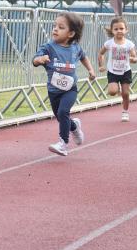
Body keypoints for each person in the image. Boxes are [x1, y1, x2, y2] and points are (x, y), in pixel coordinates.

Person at [33, 12, 96, 156]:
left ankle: (63, 143)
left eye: (60, 27)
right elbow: (35, 59)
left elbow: (84, 57)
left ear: (71, 33)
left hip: (70, 89)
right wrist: (39, 59)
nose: (55, 29)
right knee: (61, 116)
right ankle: (74, 127)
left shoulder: (75, 48)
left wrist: (91, 70)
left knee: (63, 112)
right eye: (54, 26)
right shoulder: (48, 47)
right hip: (54, 90)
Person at [97, 17, 137, 122]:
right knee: (112, 92)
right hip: (112, 71)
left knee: (126, 93)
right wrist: (101, 65)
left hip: (125, 71)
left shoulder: (129, 44)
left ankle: (125, 112)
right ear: (112, 30)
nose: (119, 31)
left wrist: (133, 59)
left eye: (121, 28)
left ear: (126, 30)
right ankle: (117, 88)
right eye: (116, 29)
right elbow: (101, 53)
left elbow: (135, 57)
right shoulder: (109, 43)